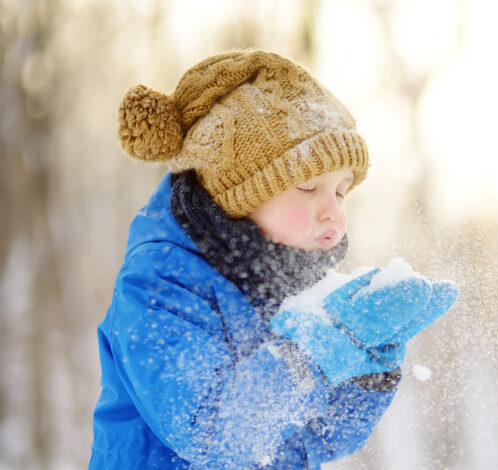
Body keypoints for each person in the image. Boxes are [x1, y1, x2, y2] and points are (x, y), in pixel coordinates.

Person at [89, 49, 458, 469]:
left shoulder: (285, 279)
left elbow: (318, 441)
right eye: (307, 187)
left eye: (341, 191)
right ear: (241, 193)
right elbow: (214, 434)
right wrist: (318, 349)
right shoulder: (159, 283)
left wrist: (366, 364)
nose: (334, 212)